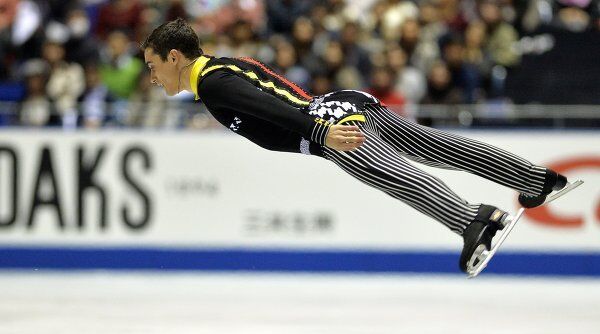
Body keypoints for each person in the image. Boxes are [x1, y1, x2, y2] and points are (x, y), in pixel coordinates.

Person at [141, 18, 569, 274]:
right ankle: (536, 180)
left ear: (174, 56)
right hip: (344, 104)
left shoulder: (214, 83)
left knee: (395, 176)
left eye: (153, 65)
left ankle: (477, 222)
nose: (153, 76)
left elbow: (271, 108)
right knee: (441, 147)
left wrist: (320, 131)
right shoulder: (223, 66)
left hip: (327, 122)